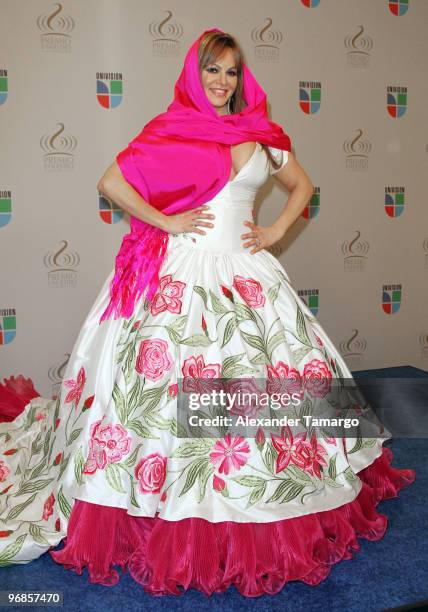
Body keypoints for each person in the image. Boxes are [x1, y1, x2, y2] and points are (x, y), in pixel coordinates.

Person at [0, 28, 415, 597]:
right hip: (181, 274)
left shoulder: (265, 136)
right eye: (212, 70)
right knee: (165, 392)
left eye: (231, 72)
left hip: (247, 275)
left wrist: (271, 231)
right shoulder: (172, 130)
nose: (222, 82)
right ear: (195, 75)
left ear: (242, 79)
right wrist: (167, 221)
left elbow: (303, 186)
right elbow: (111, 181)